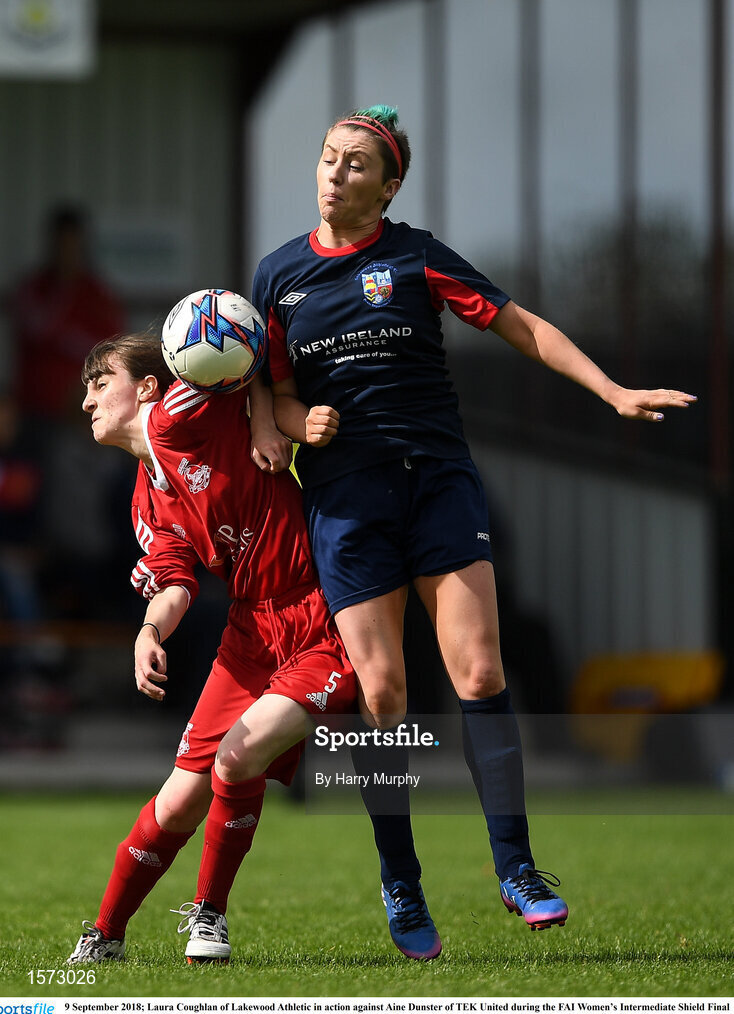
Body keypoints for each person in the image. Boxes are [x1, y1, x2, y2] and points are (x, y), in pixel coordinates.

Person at [252, 104, 697, 959]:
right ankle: (400, 877)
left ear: (389, 187)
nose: (335, 174)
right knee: (381, 697)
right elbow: (269, 393)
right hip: (347, 503)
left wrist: (610, 392)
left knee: (481, 668)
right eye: (328, 159)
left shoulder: (417, 257)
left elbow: (521, 326)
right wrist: (291, 423)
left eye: (356, 165)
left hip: (437, 485)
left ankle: (517, 866)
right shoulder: (278, 277)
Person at [66, 332, 358, 964]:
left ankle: (211, 919)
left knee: (236, 757)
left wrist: (261, 418)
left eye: (99, 383)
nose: (86, 401)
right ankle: (106, 936)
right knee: (177, 798)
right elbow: (174, 586)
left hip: (322, 612)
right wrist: (148, 632)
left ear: (147, 387)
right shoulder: (147, 497)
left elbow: (240, 337)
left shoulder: (176, 413)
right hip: (250, 630)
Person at [12, 204, 126, 424]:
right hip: (36, 407)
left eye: (73, 243)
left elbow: (112, 347)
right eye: (62, 243)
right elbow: (37, 329)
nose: (67, 250)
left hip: (84, 410)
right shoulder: (33, 288)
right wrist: (63, 290)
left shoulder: (98, 292)